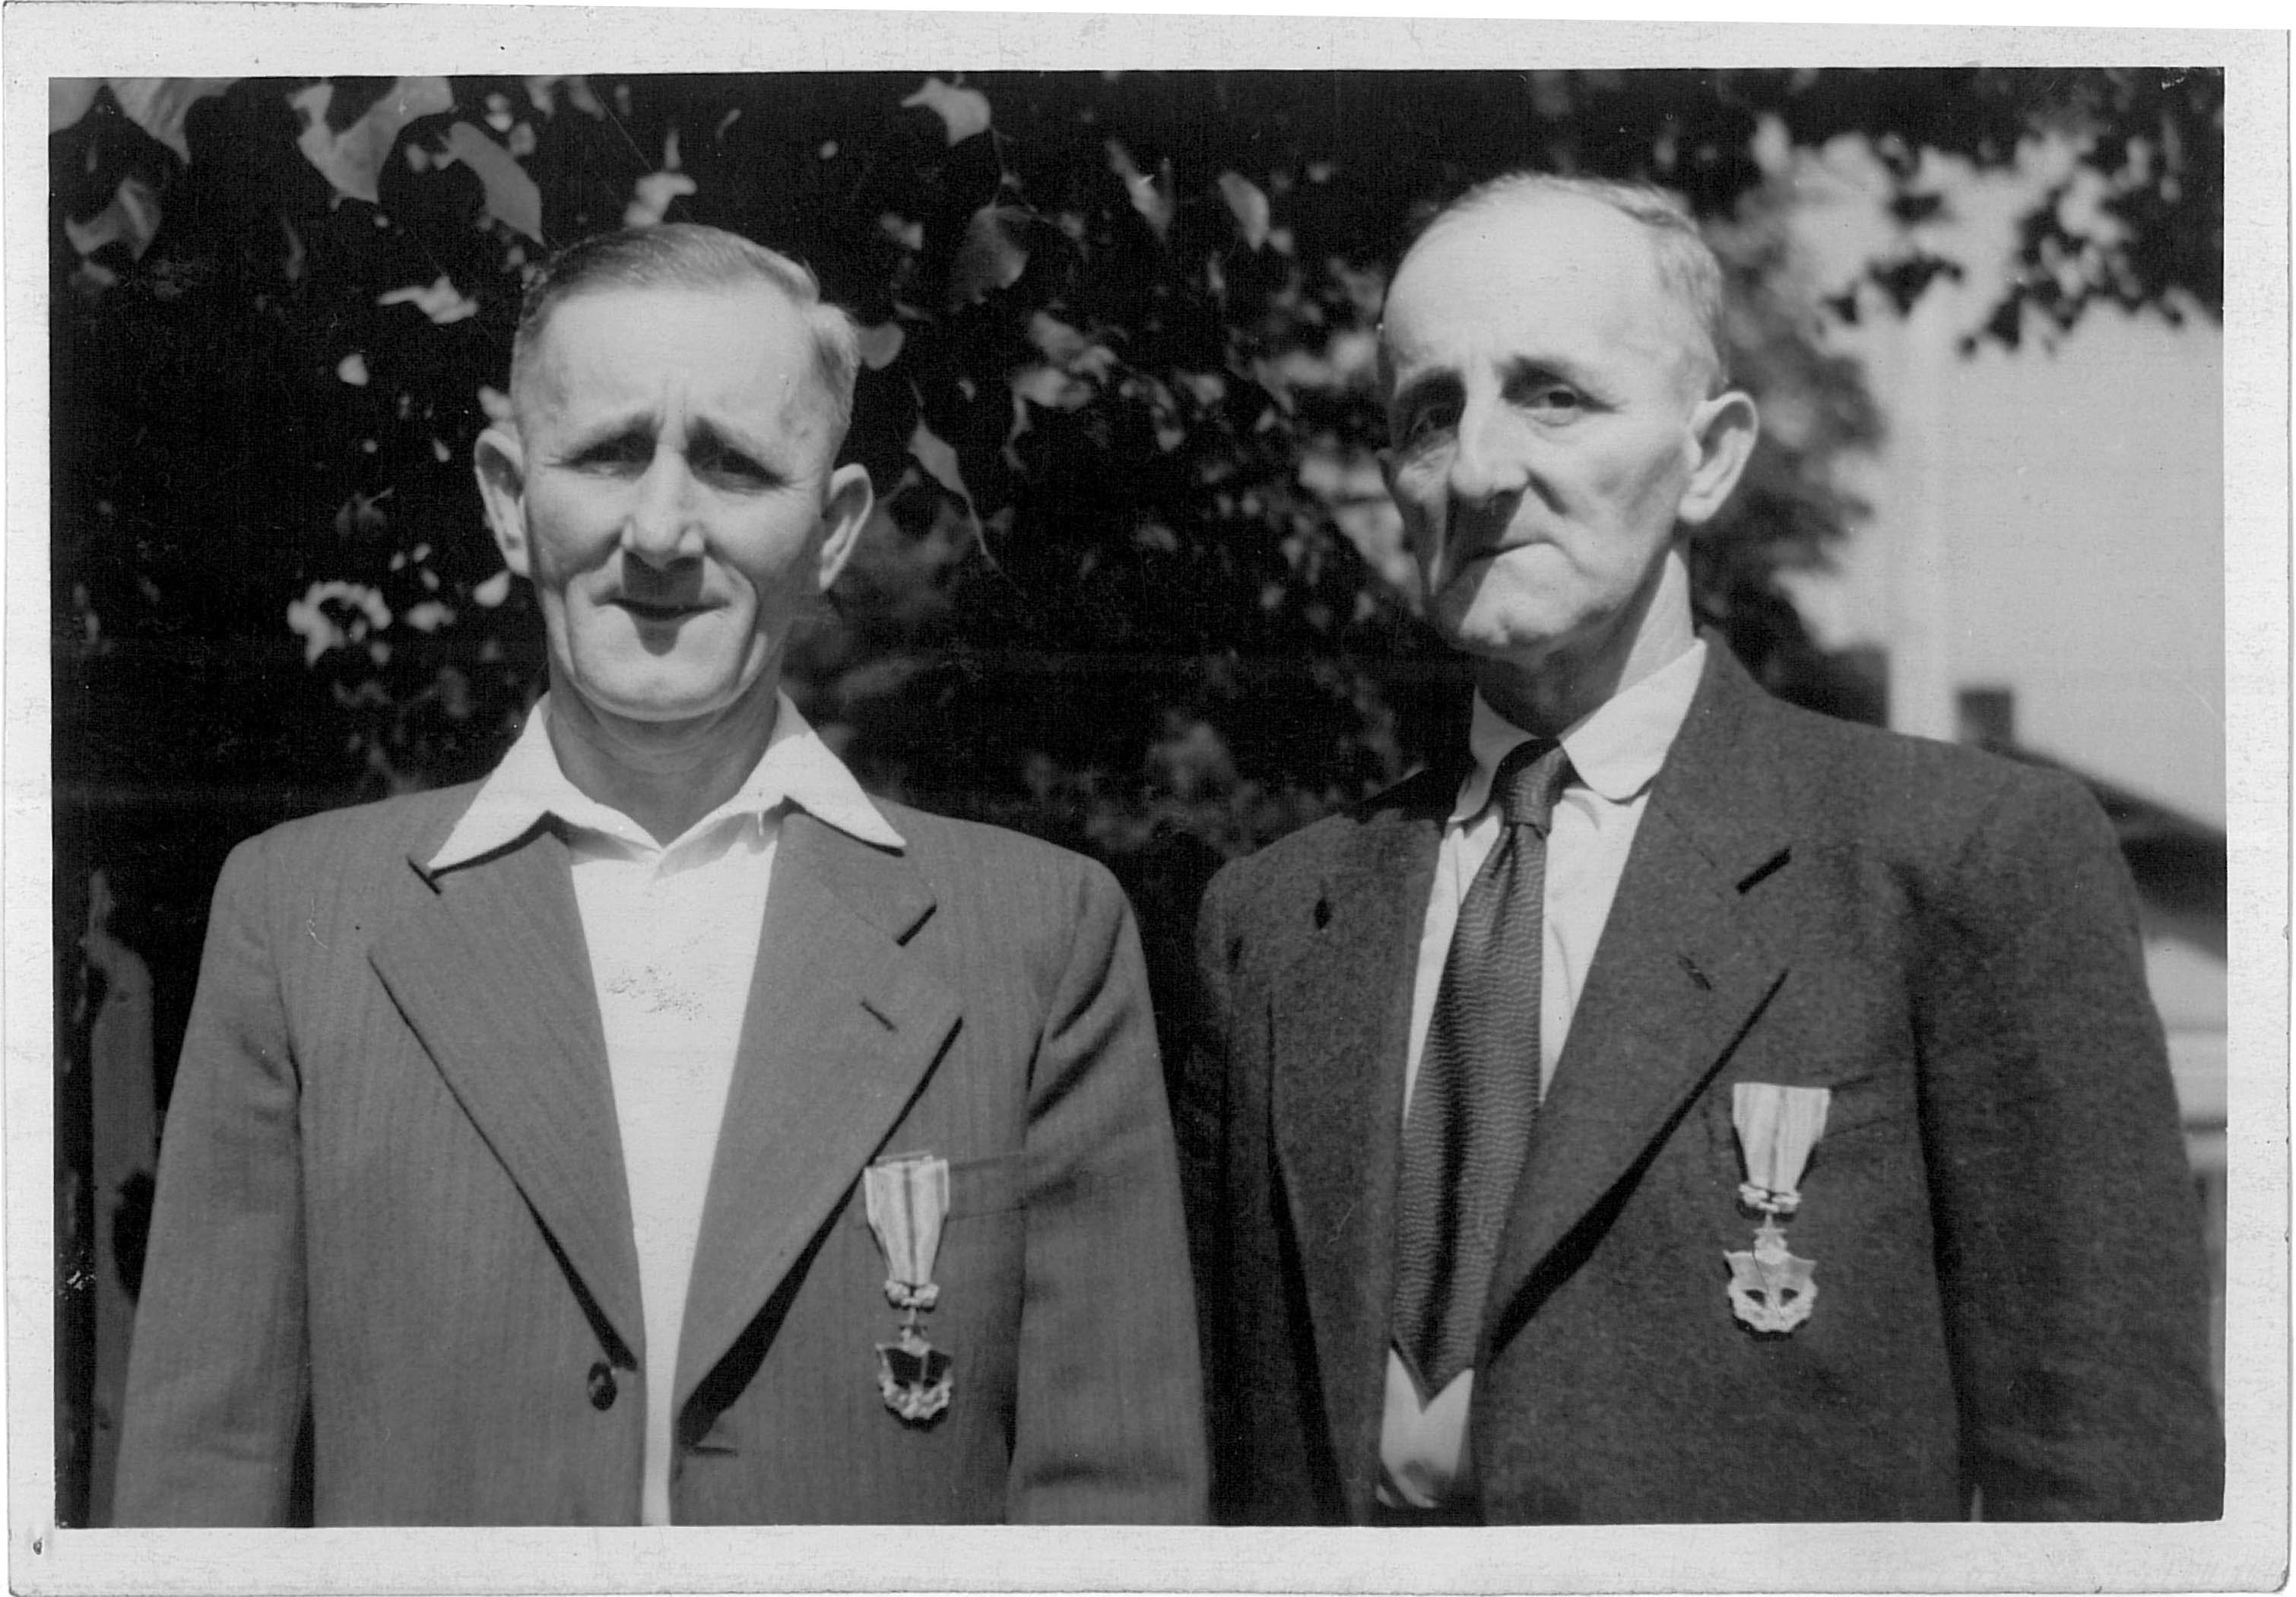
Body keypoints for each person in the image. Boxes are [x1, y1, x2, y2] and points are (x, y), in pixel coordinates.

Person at [115, 223, 1206, 1526]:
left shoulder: (1039, 938)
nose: (661, 531)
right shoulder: (299, 922)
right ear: (509, 497)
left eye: (735, 464)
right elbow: (201, 1493)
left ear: (833, 528)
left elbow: (1115, 1508)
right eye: (610, 453)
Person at [1177, 173, 2222, 1525]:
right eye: (1430, 413)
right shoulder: (1273, 919)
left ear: (1712, 456)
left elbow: (2108, 1484)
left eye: (1556, 396)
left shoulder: (1955, 862)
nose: (1481, 468)